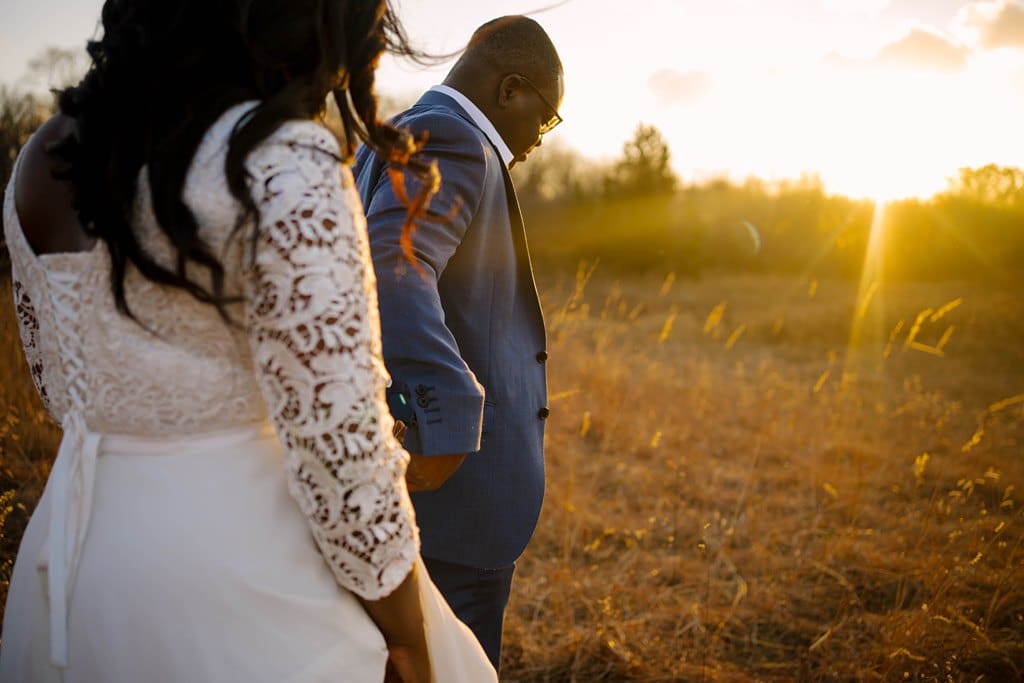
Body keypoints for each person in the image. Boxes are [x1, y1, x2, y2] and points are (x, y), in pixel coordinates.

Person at [0, 1, 497, 681]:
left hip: (65, 572)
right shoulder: (282, 161)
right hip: (239, 589)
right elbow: (342, 457)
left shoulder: (46, 153)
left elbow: (63, 389)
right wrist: (411, 638)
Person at [353, 15, 564, 670]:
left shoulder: (392, 134)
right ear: (510, 89)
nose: (538, 138)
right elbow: (396, 267)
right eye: (547, 116)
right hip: (453, 504)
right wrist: (447, 421)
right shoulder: (454, 138)